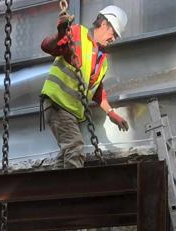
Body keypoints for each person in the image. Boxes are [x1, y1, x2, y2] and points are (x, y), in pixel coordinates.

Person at [40, 5, 130, 168]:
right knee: (75, 147)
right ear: (104, 24)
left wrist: (110, 112)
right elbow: (48, 46)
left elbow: (96, 91)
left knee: (66, 155)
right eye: (114, 33)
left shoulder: (102, 61)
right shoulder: (77, 34)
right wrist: (60, 32)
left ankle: (54, 188)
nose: (114, 39)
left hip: (70, 111)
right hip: (58, 103)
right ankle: (73, 190)